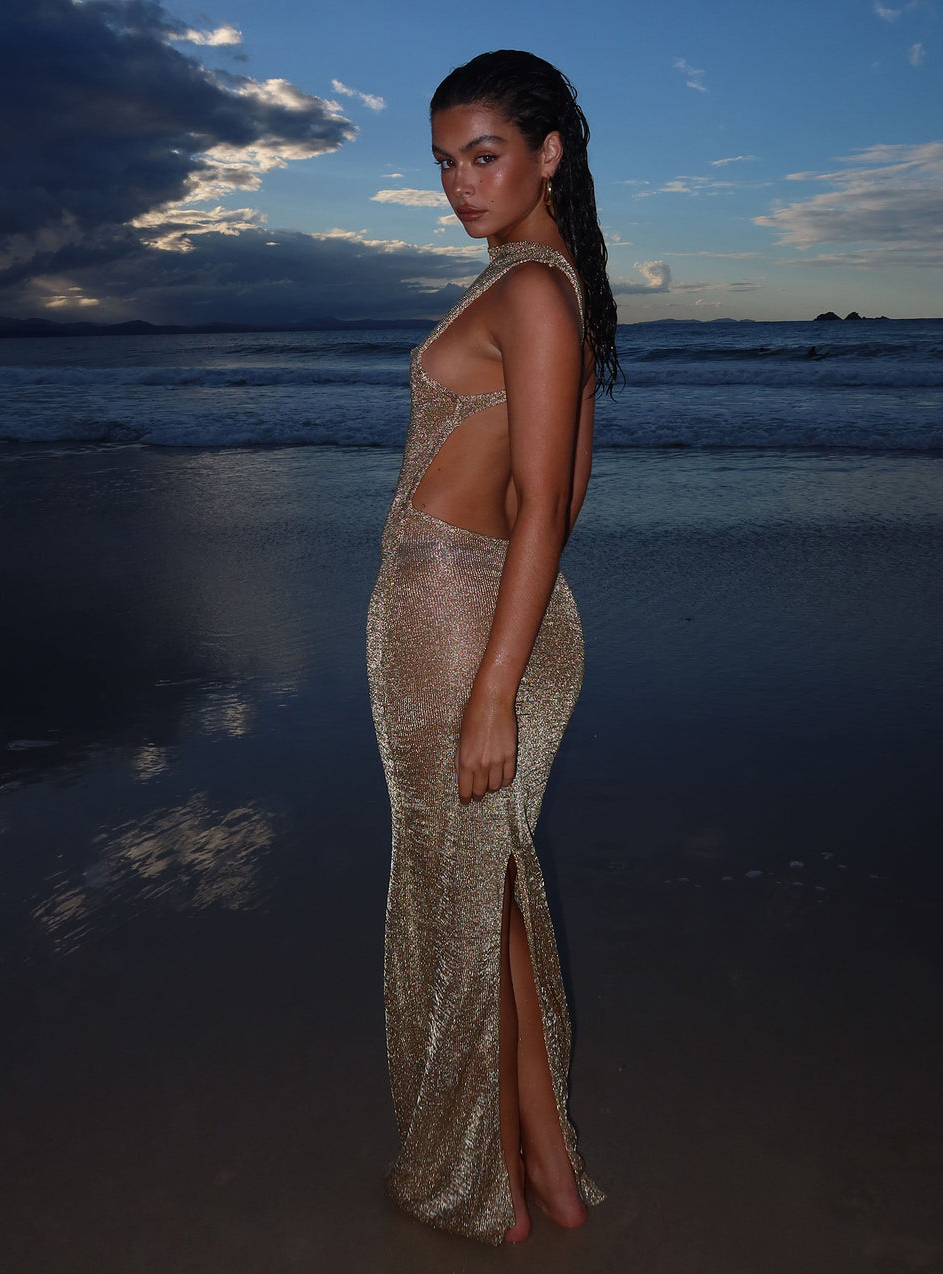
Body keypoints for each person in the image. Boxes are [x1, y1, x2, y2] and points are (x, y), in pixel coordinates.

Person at [366, 48, 619, 1245]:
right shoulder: (537, 283)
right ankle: (542, 1176)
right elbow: (554, 491)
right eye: (444, 165)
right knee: (490, 904)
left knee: (471, 904)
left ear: (547, 153)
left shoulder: (531, 293)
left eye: (484, 156)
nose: (460, 185)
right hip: (462, 629)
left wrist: (492, 691)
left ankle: (508, 1187)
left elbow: (543, 506)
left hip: (470, 634)